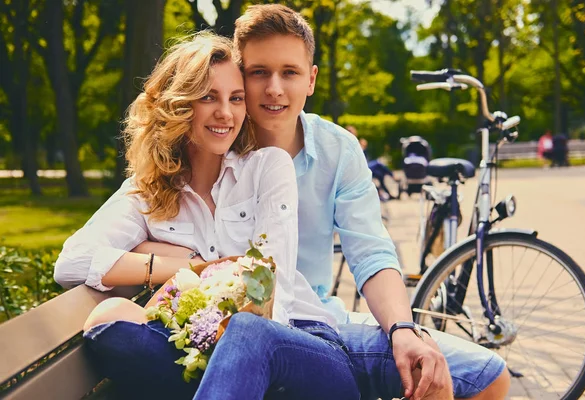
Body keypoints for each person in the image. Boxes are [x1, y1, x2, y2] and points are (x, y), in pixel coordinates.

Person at [54, 33, 359, 400]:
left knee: (248, 331)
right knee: (112, 318)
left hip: (297, 344)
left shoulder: (266, 168)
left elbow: (267, 284)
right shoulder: (146, 193)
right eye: (208, 97)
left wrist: (198, 275)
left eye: (236, 98)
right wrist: (185, 264)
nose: (225, 113)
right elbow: (72, 261)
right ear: (179, 105)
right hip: (204, 355)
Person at [232, 5, 510, 400]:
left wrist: (401, 329)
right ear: (240, 77)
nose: (274, 87)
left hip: (321, 323)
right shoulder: (216, 141)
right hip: (239, 327)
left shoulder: (338, 149)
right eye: (259, 72)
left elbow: (371, 253)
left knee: (488, 376)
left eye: (289, 72)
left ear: (310, 79)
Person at [346, 125, 400, 200]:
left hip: (365, 165)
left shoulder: (356, 142)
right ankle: (392, 176)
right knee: (378, 163)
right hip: (361, 167)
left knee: (380, 175)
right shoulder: (349, 144)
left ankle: (388, 194)